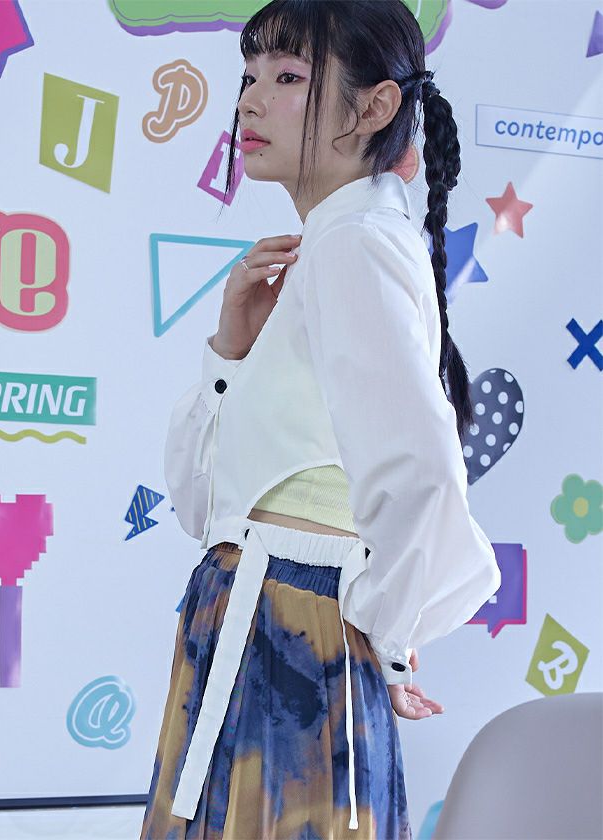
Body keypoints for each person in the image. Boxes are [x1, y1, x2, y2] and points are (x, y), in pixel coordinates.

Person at [140, 1, 501, 838]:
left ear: (374, 106)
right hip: (262, 615)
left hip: (287, 622)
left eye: (288, 76)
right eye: (249, 75)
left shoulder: (352, 242)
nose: (250, 99)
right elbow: (206, 508)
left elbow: (422, 473)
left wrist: (380, 628)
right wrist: (231, 350)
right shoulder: (342, 243)